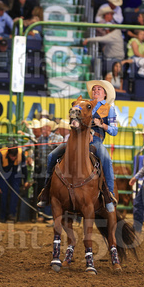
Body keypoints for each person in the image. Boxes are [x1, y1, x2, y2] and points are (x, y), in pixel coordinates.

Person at [38, 80, 118, 212]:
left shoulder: (109, 109)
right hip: (77, 139)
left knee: (106, 159)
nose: (95, 91)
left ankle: (109, 195)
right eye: (94, 89)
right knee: (52, 155)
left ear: (105, 94)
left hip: (95, 142)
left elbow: (114, 131)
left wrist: (101, 125)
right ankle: (46, 191)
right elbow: (75, 118)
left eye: (99, 89)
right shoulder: (83, 105)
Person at [0, 146, 28, 222]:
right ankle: (2, 216)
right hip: (4, 174)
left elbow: (24, 168)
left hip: (15, 174)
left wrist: (25, 181)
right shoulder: (1, 155)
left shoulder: (20, 153)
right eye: (12, 156)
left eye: (15, 157)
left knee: (15, 192)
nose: (13, 158)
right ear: (8, 154)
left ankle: (12, 215)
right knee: (3, 193)